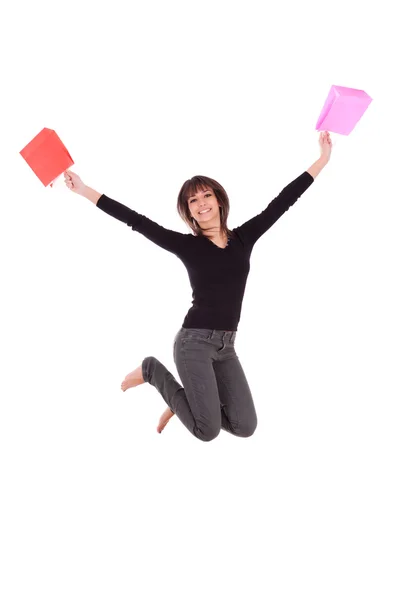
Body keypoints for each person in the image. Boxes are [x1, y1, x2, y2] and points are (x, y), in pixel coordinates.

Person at [64, 131, 332, 442]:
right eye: (193, 200)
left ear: (218, 200)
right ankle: (151, 370)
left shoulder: (244, 238)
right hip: (194, 343)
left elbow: (283, 201)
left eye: (206, 196)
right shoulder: (187, 246)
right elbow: (136, 220)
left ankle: (185, 405)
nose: (201, 203)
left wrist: (322, 159)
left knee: (245, 426)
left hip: (227, 347)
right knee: (208, 432)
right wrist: (84, 190)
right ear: (189, 211)